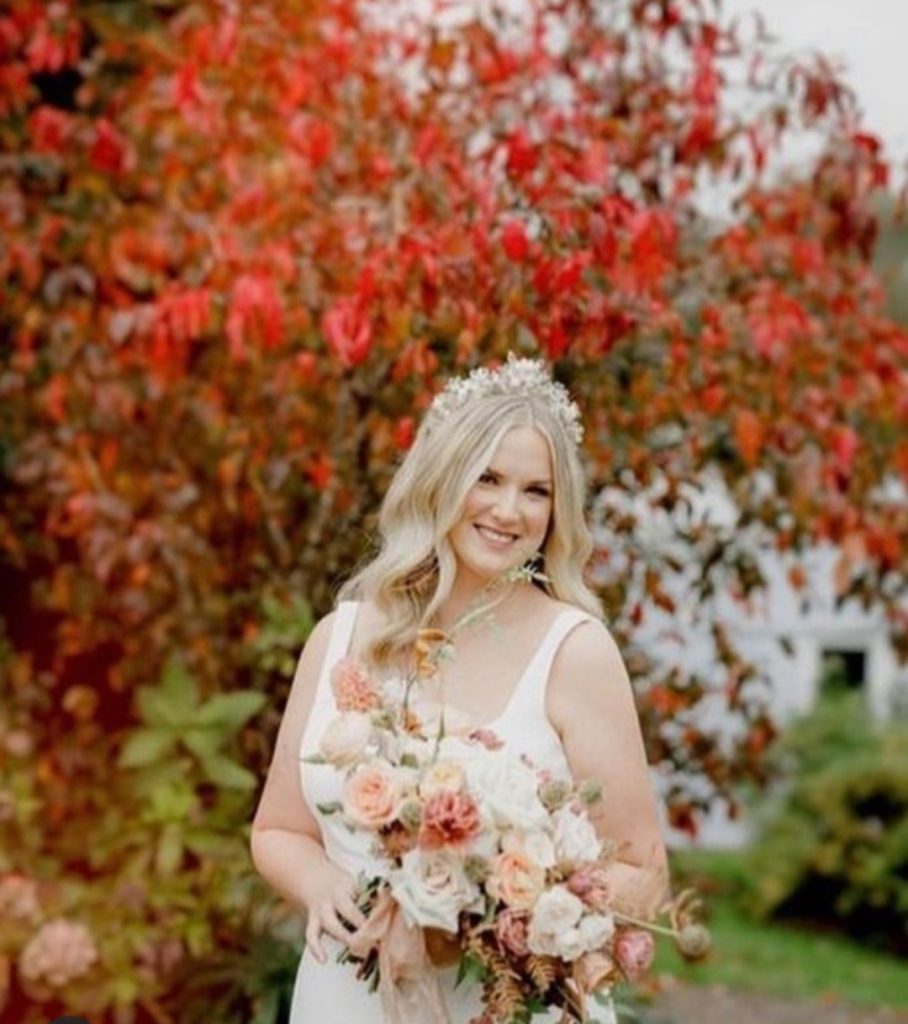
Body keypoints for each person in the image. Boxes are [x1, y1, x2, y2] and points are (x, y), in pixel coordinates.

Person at [250, 355, 670, 1023]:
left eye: (537, 491)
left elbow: (644, 874)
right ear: (443, 479)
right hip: (345, 996)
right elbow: (277, 829)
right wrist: (326, 885)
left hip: (497, 1004)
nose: (510, 510)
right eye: (489, 478)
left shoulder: (576, 652)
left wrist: (492, 909)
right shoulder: (340, 636)